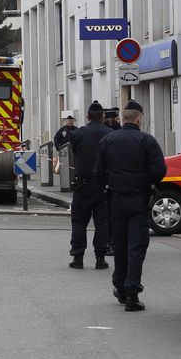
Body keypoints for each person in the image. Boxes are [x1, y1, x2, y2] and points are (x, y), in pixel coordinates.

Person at [95, 100, 167, 312]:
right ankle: (132, 293)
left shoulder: (107, 140)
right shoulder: (147, 141)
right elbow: (159, 172)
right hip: (138, 199)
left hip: (115, 199)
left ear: (123, 118)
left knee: (119, 244)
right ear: (139, 118)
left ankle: (120, 286)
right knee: (137, 246)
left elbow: (98, 173)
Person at [68, 101, 112, 269]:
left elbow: (74, 151)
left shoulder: (79, 133)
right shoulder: (109, 134)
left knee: (79, 221)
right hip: (103, 185)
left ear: (87, 117)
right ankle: (100, 258)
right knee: (102, 222)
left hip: (82, 184)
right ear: (102, 116)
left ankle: (78, 257)